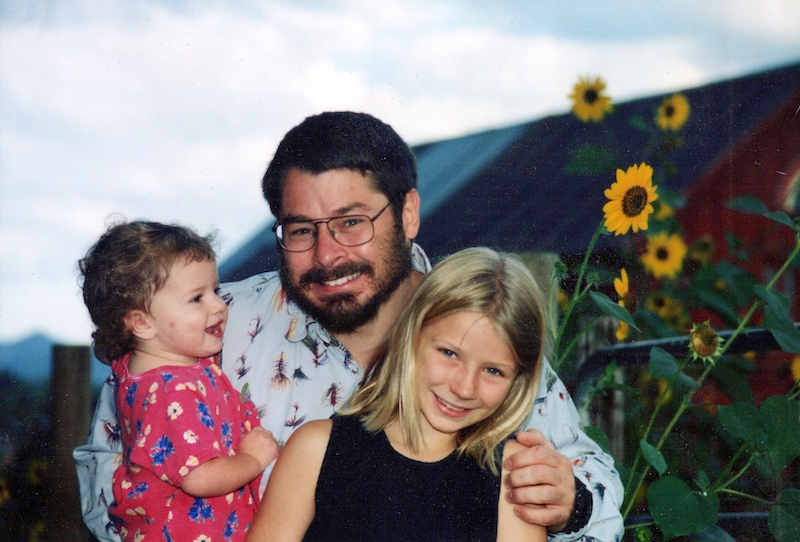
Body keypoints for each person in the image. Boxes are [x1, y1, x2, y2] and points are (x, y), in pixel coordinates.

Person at [75, 112, 624, 541]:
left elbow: (595, 498)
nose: (328, 254)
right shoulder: (211, 327)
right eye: (301, 229)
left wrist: (568, 501)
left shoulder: (478, 332)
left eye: (352, 223)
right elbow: (107, 471)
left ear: (407, 213)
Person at [246, 247, 549, 542]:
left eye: (494, 371)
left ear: (520, 380)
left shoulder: (516, 475)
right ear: (410, 334)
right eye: (449, 353)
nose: (464, 388)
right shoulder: (316, 449)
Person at [78, 220, 280, 541]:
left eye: (215, 289)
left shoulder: (145, 367)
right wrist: (252, 459)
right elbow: (198, 477)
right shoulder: (172, 391)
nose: (219, 304)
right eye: (197, 298)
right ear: (142, 323)